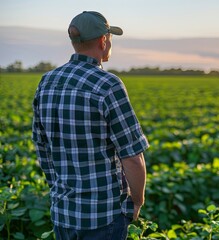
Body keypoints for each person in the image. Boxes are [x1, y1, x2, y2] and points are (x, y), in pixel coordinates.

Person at [32, 11, 149, 240]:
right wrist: (137, 201)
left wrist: (58, 189)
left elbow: (41, 145)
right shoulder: (107, 84)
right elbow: (132, 156)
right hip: (103, 216)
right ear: (103, 41)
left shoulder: (46, 81)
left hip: (63, 212)